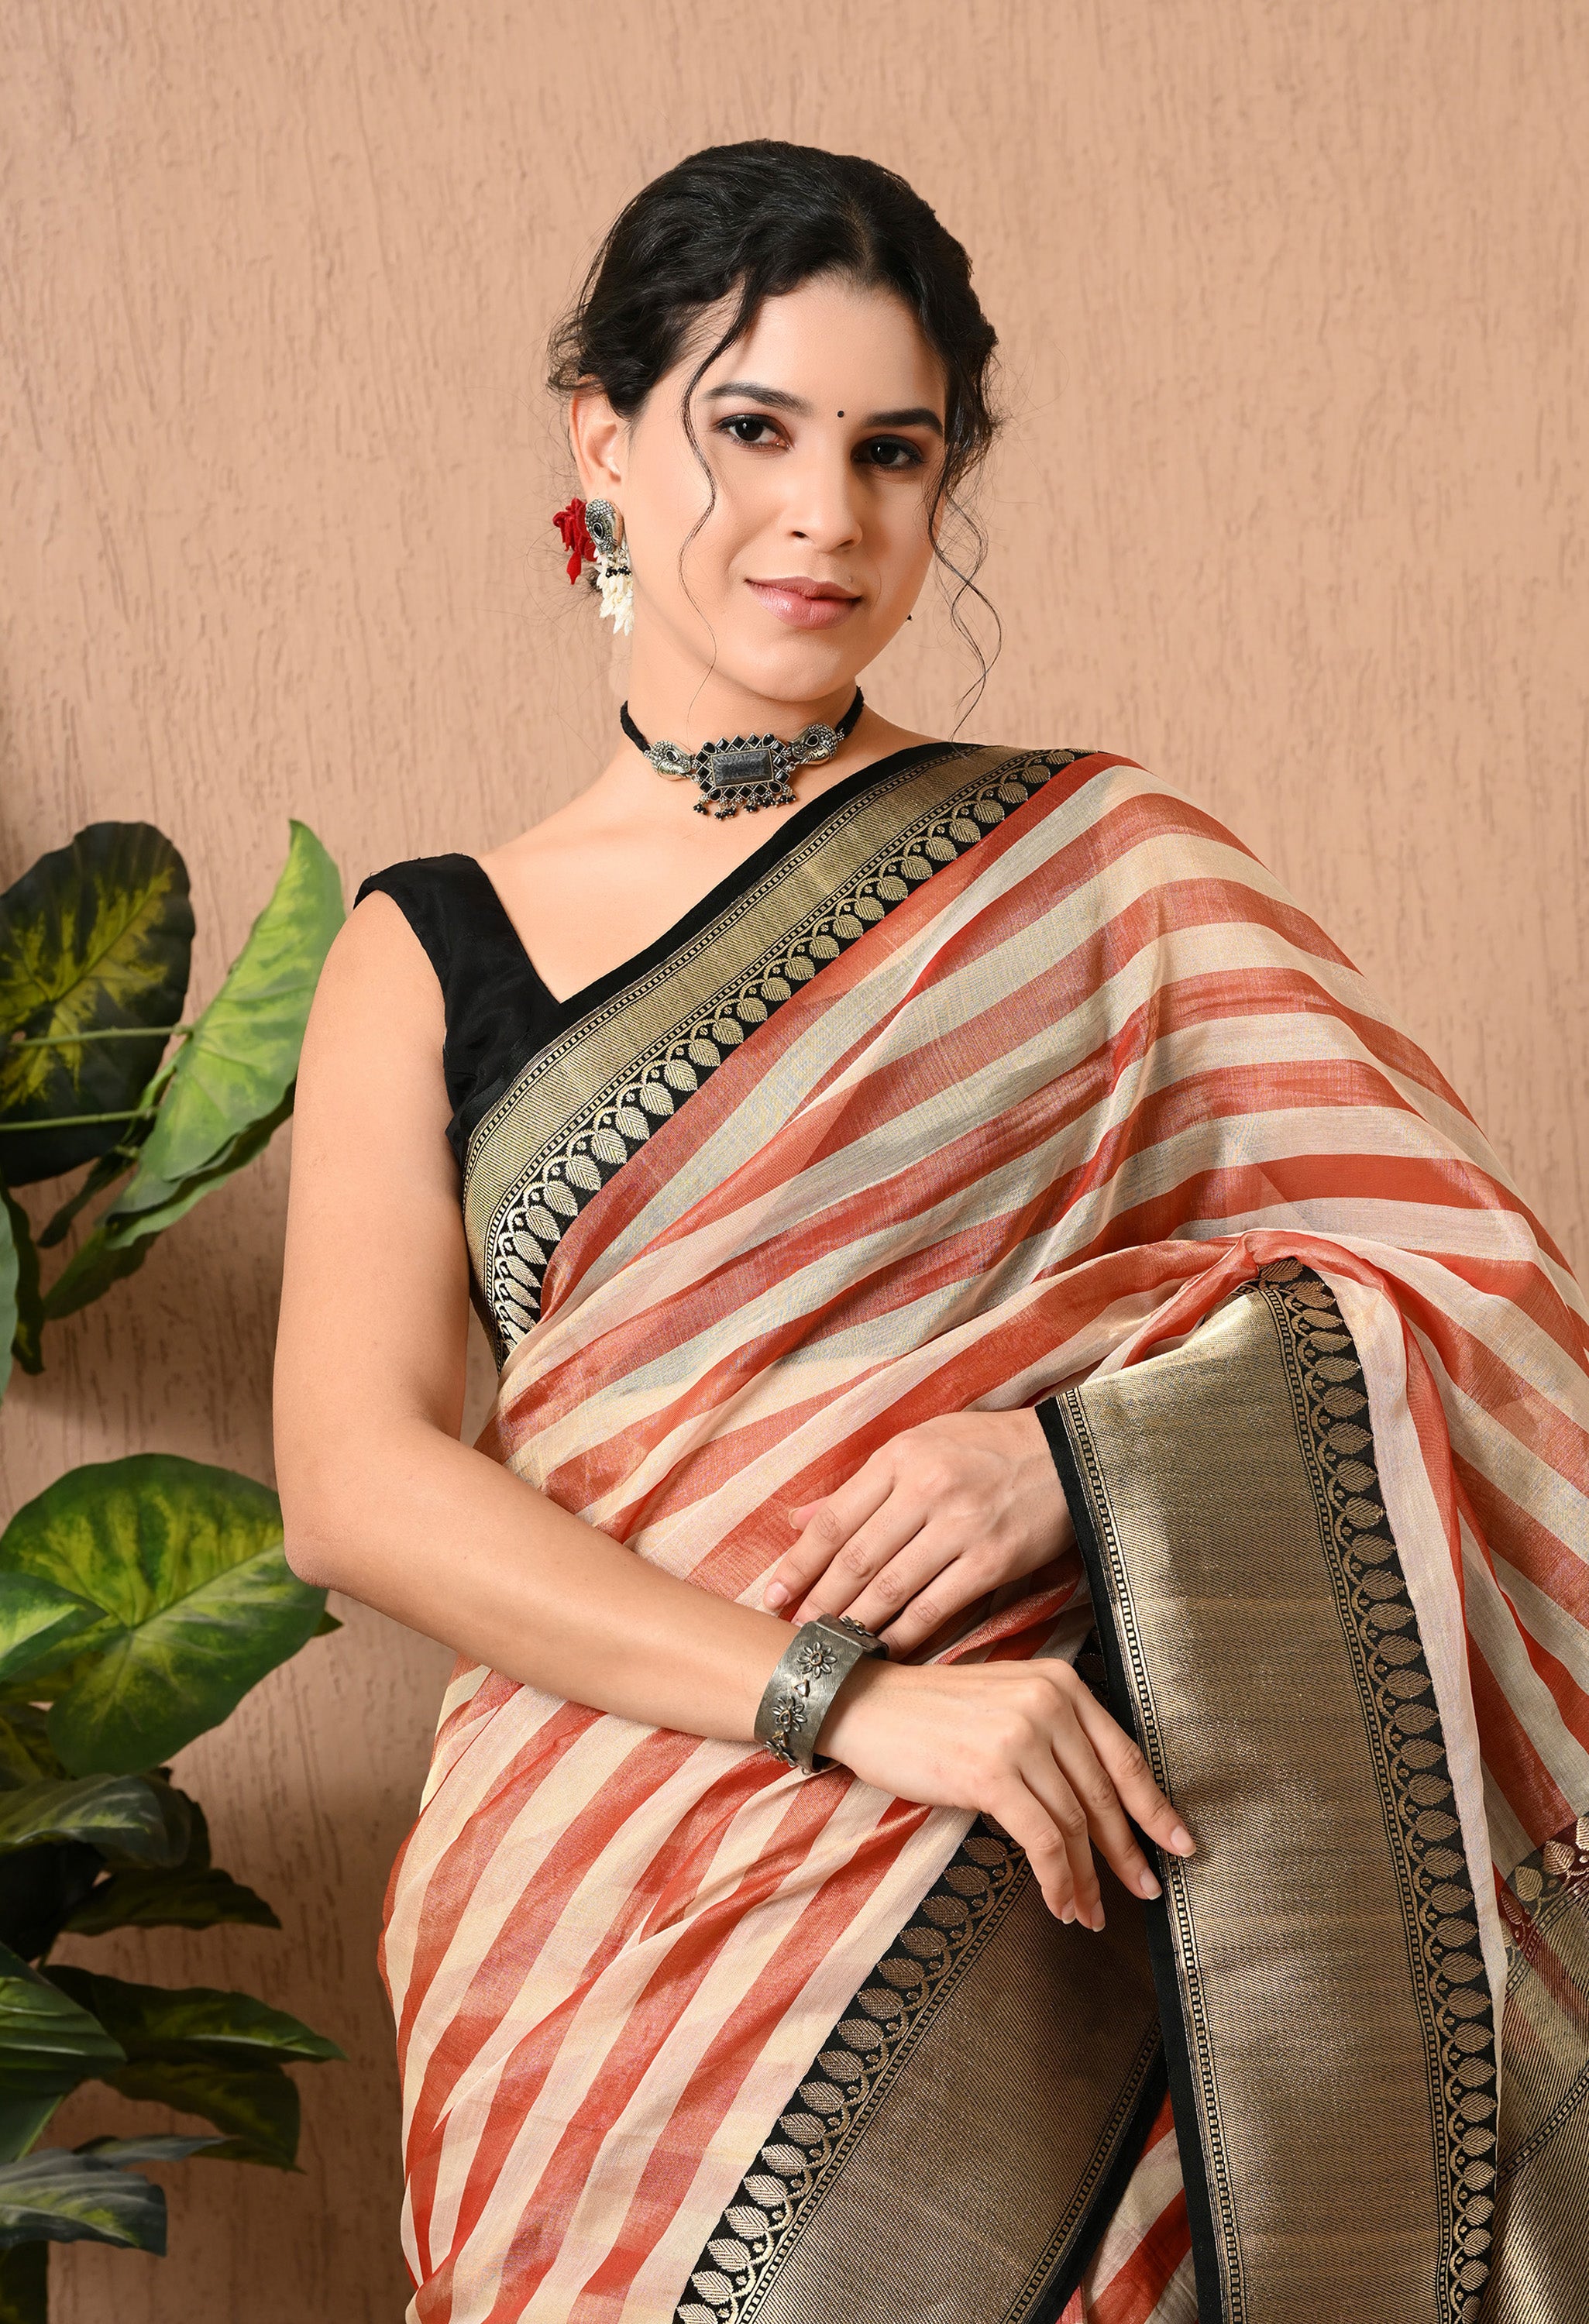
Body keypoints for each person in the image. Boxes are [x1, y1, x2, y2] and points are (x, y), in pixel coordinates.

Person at [272, 141, 1589, 2324]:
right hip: (591, 1923)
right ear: (601, 439)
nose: (826, 516)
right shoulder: (427, 946)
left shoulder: (1105, 871)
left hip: (1021, 1885)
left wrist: (1067, 1451)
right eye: (752, 431)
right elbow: (358, 1483)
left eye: (894, 452)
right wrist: (845, 1700)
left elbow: (1478, 1307)